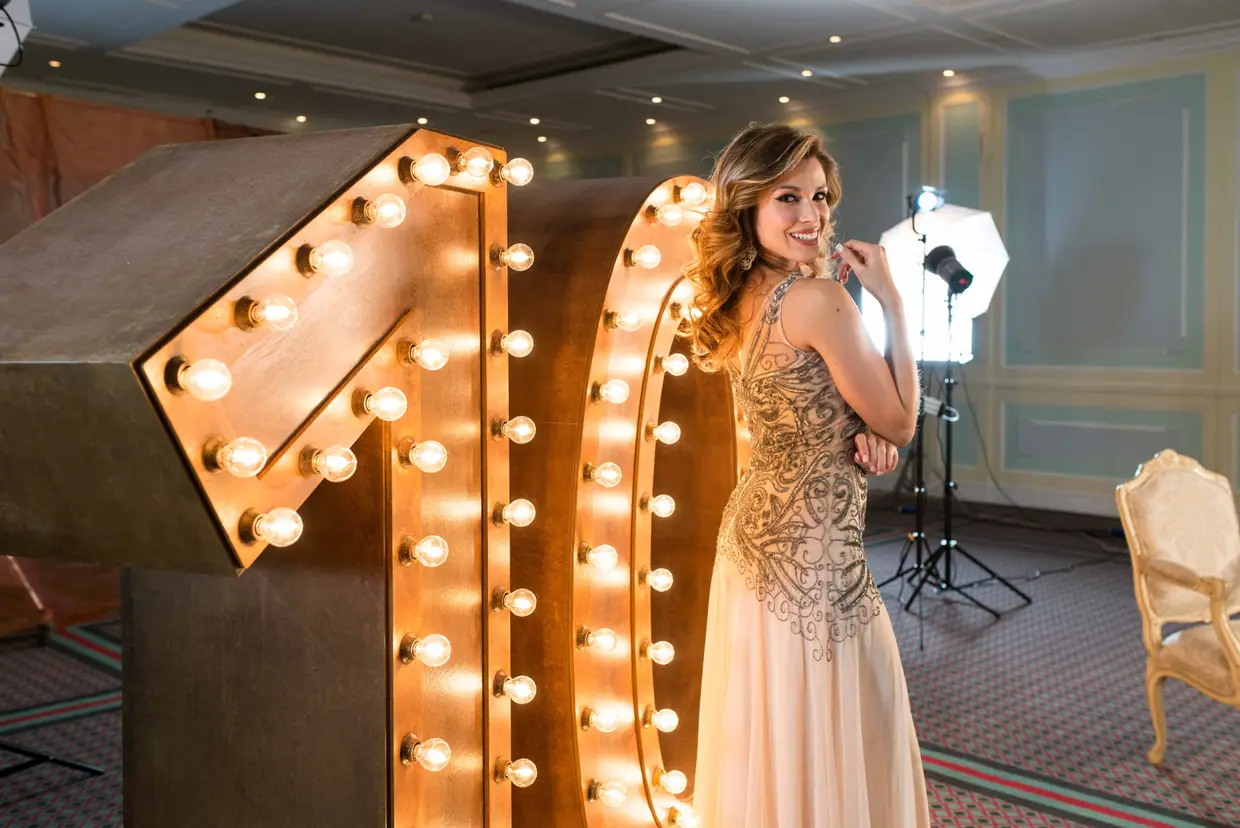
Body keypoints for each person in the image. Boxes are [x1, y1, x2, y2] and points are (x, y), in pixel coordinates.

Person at [681, 122, 930, 827]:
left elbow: (815, 415)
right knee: (844, 715)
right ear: (747, 205)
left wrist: (858, 433)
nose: (811, 214)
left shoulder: (738, 299)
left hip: (752, 543)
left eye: (819, 196)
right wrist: (893, 302)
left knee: (774, 726)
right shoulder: (819, 299)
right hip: (813, 554)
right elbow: (900, 423)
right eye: (787, 197)